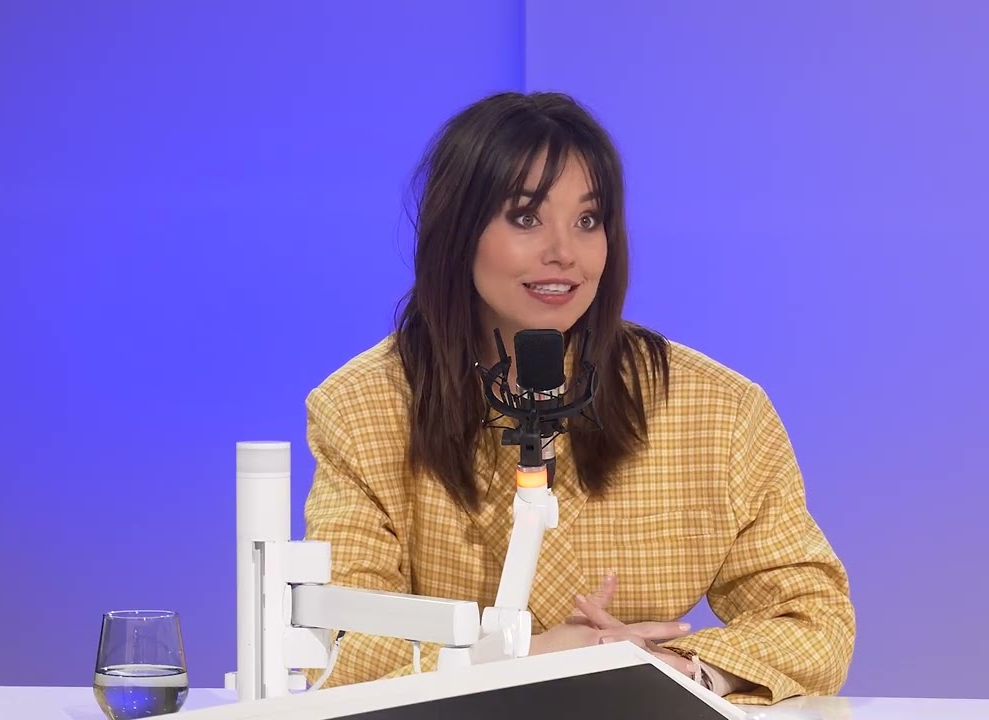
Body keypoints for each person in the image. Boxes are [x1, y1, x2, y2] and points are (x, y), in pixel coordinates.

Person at [301, 91, 856, 706]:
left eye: (588, 221)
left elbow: (815, 621)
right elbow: (337, 647)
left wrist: (678, 670)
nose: (565, 253)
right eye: (526, 218)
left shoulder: (715, 407)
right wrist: (525, 659)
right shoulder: (364, 407)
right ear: (456, 233)